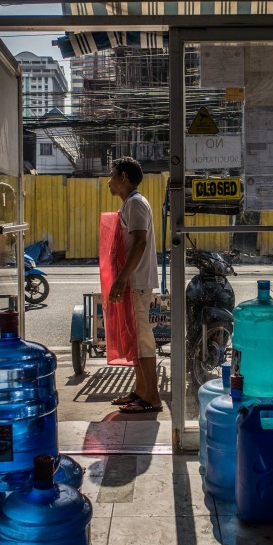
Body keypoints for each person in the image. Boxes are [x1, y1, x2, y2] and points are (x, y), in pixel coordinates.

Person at [106, 156, 163, 414]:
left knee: (142, 340)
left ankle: (152, 398)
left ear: (124, 178)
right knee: (136, 340)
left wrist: (121, 279)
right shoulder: (130, 204)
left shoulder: (136, 204)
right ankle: (140, 392)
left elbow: (139, 242)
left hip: (136, 282)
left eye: (112, 175)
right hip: (134, 281)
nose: (109, 180)